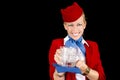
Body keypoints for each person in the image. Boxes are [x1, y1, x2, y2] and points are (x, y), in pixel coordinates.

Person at [48, 1, 106, 80]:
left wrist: (85, 69)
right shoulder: (57, 44)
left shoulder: (93, 46)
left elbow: (101, 77)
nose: (75, 30)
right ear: (65, 26)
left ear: (84, 24)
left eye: (79, 24)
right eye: (71, 25)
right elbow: (54, 78)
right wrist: (60, 70)